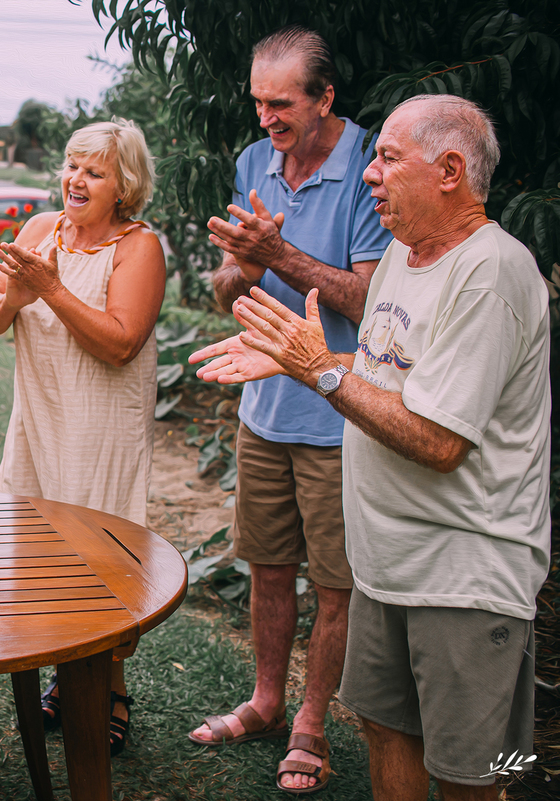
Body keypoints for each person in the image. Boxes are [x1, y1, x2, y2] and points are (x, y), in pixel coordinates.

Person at [191, 94, 549, 800]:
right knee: (386, 731)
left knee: (473, 775)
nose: (369, 173)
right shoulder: (402, 258)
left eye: (387, 157)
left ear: (449, 171)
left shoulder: (492, 271)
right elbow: (394, 375)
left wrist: (318, 371)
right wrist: (305, 360)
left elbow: (440, 439)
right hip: (387, 569)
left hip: (463, 578)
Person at [185, 26, 393, 794]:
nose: (266, 118)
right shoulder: (253, 163)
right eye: (258, 103)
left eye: (282, 104)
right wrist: (240, 268)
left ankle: (311, 722)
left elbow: (370, 301)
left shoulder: (370, 166)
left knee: (335, 584)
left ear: (325, 97)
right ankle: (267, 702)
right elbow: (230, 289)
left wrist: (278, 256)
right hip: (265, 407)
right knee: (268, 566)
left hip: (341, 411)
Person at [0, 117, 166, 756]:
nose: (76, 180)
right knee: (35, 554)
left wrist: (49, 289)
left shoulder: (139, 247)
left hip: (101, 429)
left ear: (124, 186)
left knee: (100, 563)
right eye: (72, 166)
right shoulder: (39, 230)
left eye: (95, 172)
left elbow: (120, 344)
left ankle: (110, 687)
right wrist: (16, 296)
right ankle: (62, 672)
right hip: (38, 422)